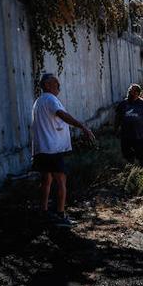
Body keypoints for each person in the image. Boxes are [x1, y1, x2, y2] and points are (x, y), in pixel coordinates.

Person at [31, 73, 94, 227]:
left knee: (46, 180)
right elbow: (63, 115)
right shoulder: (51, 99)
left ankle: (44, 212)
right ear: (47, 85)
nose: (59, 85)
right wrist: (82, 126)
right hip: (52, 149)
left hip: (42, 149)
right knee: (61, 181)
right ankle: (60, 215)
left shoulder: (39, 101)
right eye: (55, 82)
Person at [114, 84, 143, 166]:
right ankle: (131, 172)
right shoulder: (123, 104)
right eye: (129, 90)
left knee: (142, 157)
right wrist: (116, 129)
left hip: (140, 136)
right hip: (126, 136)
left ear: (137, 93)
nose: (130, 92)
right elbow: (117, 118)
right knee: (128, 157)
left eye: (132, 91)